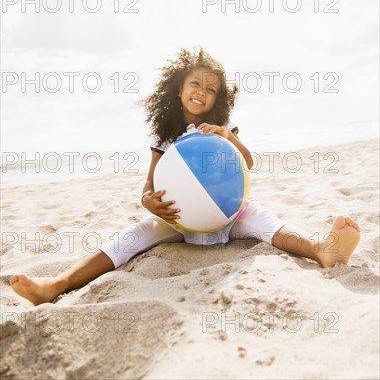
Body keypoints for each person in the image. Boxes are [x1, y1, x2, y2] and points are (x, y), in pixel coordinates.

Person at [10, 47, 361, 306]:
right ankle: (57, 284)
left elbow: (248, 164)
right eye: (195, 84)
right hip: (180, 221)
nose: (201, 93)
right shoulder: (164, 136)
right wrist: (149, 202)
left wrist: (228, 136)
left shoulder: (220, 130)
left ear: (217, 99)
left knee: (262, 217)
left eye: (210, 90)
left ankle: (322, 250)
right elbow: (148, 188)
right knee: (131, 237)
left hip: (228, 212)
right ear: (179, 88)